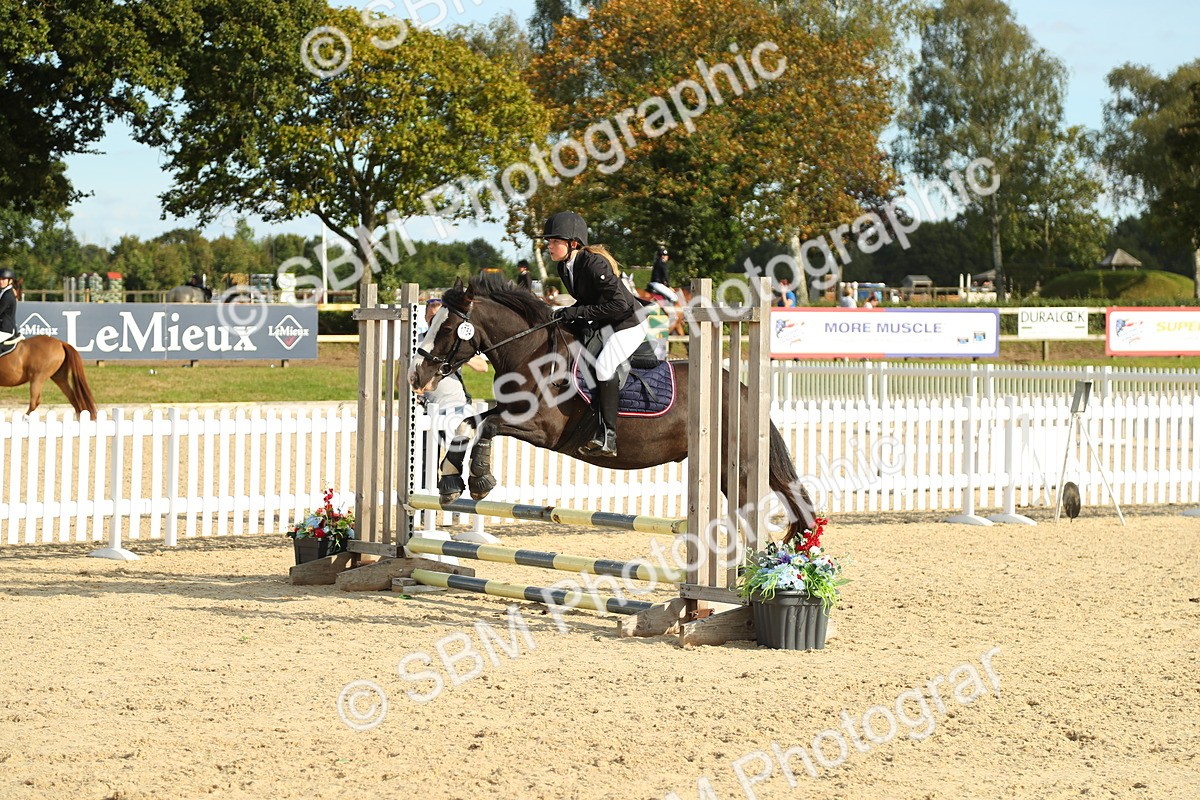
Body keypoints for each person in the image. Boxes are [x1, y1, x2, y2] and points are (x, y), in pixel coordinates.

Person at [538, 211, 645, 458]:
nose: (549, 246)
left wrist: (576, 312)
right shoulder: (564, 267)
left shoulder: (594, 264)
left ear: (573, 244)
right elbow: (588, 301)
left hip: (629, 323)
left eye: (555, 241)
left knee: (604, 367)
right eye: (549, 242)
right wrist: (565, 314)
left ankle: (609, 435)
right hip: (605, 322)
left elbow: (619, 304)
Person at [0, 267, 18, 355]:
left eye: (3, 279)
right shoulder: (3, 292)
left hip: (5, 329)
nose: (1, 281)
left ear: (10, 281)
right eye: (0, 279)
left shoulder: (8, 295)